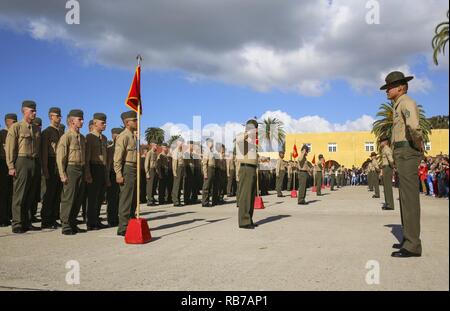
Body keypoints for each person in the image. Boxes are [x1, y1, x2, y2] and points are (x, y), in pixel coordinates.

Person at [380, 71, 423, 258]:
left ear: (401, 87)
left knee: (409, 199)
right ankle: (408, 239)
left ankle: (413, 245)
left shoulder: (406, 103)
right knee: (404, 198)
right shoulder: (398, 105)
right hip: (402, 152)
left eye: (390, 87)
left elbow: (413, 127)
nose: (387, 90)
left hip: (407, 152)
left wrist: (417, 146)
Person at [5, 101, 41, 234]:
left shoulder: (37, 129)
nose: (34, 113)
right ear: (23, 111)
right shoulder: (16, 127)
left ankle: (27, 221)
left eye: (35, 110)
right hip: (21, 160)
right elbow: (10, 148)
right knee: (19, 194)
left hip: (34, 161)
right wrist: (10, 166)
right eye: (31, 111)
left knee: (30, 195)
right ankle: (17, 223)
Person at [56, 109, 86, 235]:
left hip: (81, 168)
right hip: (71, 168)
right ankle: (66, 224)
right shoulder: (66, 137)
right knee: (69, 197)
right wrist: (62, 174)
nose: (82, 121)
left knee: (78, 198)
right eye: (79, 119)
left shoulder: (82, 138)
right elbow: (60, 157)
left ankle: (73, 223)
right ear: (72, 121)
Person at [113, 111, 137, 236]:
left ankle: (131, 224)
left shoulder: (134, 136)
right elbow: (117, 157)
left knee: (133, 199)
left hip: (134, 168)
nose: (137, 122)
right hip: (127, 168)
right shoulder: (124, 136)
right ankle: (123, 227)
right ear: (127, 123)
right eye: (135, 120)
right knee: (126, 199)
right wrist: (118, 173)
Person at [40, 107, 64, 229]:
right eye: (57, 116)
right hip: (50, 161)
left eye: (60, 116)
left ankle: (54, 218)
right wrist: (45, 169)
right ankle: (46, 220)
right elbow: (44, 152)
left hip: (59, 164)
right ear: (50, 117)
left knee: (57, 193)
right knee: (49, 193)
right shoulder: (46, 132)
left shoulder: (60, 132)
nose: (59, 118)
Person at [85, 113, 109, 230]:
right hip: (93, 167)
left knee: (100, 197)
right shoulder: (89, 137)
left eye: (105, 122)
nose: (105, 125)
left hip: (102, 168)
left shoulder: (104, 138)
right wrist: (88, 172)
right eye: (102, 123)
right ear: (95, 123)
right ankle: (91, 222)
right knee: (92, 197)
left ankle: (97, 219)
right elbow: (87, 158)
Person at [235, 119, 259, 229]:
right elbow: (238, 140)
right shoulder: (242, 137)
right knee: (245, 196)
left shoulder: (252, 142)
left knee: (251, 196)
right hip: (245, 169)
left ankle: (249, 218)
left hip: (252, 169)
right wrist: (248, 132)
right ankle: (244, 221)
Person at [0, 113, 17, 227]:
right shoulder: (2, 133)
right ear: (7, 122)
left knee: (12, 191)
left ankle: (9, 215)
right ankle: (2, 217)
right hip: (3, 163)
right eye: (13, 122)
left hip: (14, 163)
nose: (15, 124)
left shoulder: (15, 133)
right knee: (3, 192)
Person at [106, 128, 122, 227]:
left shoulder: (121, 147)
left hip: (120, 174)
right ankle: (112, 219)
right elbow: (108, 165)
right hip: (112, 174)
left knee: (119, 198)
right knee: (112, 198)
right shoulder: (110, 149)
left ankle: (118, 217)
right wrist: (107, 178)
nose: (116, 138)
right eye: (115, 136)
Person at [379, 136, 395, 210]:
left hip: (388, 167)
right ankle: (387, 202)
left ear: (385, 142)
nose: (380, 143)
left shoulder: (387, 149)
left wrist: (392, 167)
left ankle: (390, 204)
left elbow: (390, 159)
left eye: (381, 141)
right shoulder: (384, 149)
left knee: (388, 186)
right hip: (385, 168)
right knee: (386, 187)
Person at [201, 138, 216, 207]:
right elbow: (204, 163)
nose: (212, 144)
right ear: (208, 143)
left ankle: (207, 201)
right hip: (209, 168)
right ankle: (204, 202)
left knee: (210, 186)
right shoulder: (206, 151)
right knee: (206, 186)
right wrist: (205, 173)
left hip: (212, 168)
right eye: (211, 142)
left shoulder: (211, 151)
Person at [171, 137, 185, 207]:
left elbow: (183, 162)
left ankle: (178, 200)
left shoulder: (181, 151)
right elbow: (174, 162)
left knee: (179, 185)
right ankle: (175, 201)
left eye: (182, 142)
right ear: (177, 143)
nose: (181, 143)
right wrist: (174, 172)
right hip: (177, 168)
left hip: (181, 168)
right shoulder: (175, 151)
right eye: (180, 142)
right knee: (176, 185)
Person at [145, 140, 158, 206]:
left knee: (154, 186)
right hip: (150, 170)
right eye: (155, 145)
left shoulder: (155, 153)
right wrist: (147, 172)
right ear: (152, 145)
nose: (156, 146)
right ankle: (149, 200)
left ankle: (152, 199)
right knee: (150, 186)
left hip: (155, 170)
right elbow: (146, 163)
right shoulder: (149, 153)